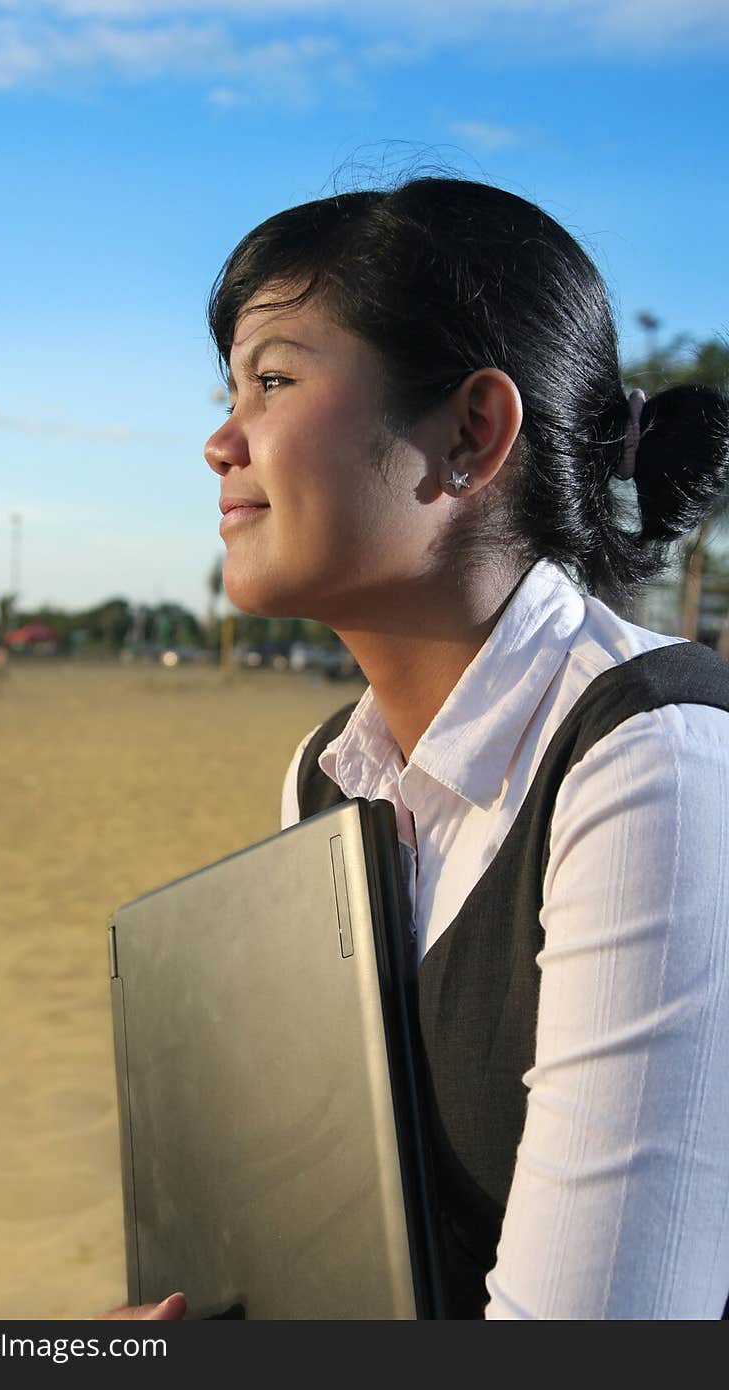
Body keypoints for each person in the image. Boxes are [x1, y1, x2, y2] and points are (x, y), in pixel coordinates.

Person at [107, 175, 729, 1320]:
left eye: (274, 380)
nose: (217, 440)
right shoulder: (331, 775)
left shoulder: (656, 761)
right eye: (229, 388)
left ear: (470, 432)